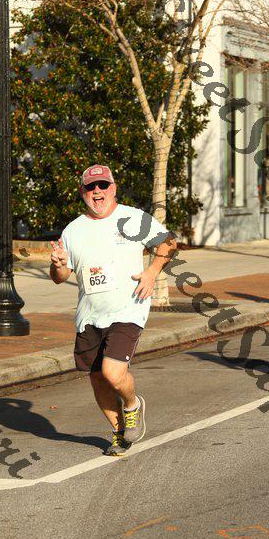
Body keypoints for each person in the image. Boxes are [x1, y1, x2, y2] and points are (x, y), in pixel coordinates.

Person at [49, 164, 176, 456]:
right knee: (97, 377)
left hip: (128, 308)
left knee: (113, 372)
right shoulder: (73, 230)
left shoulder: (132, 218)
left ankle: (133, 404)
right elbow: (60, 276)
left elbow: (168, 243)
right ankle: (120, 434)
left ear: (113, 188)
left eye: (103, 185)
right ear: (82, 191)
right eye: (91, 187)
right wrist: (58, 265)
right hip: (89, 315)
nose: (97, 192)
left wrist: (152, 273)